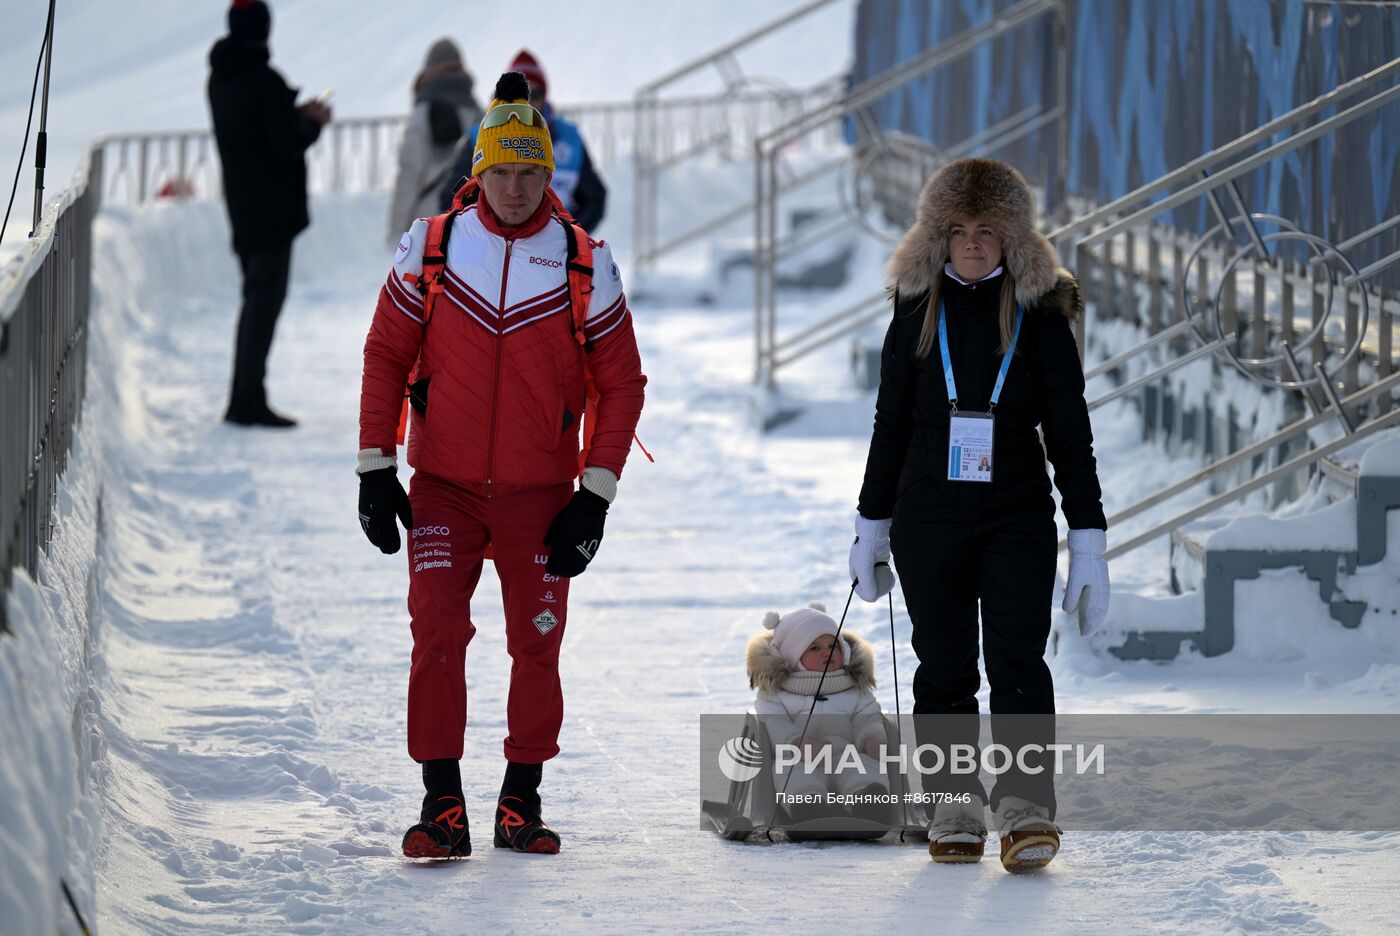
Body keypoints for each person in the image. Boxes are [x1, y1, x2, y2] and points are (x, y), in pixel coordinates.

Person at [357, 72, 646, 859]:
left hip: (543, 497)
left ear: (550, 175)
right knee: (437, 633)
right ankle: (440, 801)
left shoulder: (585, 262)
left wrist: (596, 494)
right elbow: (386, 353)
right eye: (501, 171)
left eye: (530, 172)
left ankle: (522, 799)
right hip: (444, 487)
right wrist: (375, 466)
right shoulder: (433, 247)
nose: (514, 188)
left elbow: (623, 384)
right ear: (475, 173)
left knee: (536, 643)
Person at [847, 158, 1110, 872]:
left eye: (986, 229)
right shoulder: (914, 308)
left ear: (1012, 236)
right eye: (957, 230)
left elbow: (1069, 430)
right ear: (938, 235)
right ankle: (953, 803)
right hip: (927, 514)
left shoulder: (1042, 312)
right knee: (945, 666)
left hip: (1016, 514)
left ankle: (1026, 809)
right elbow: (890, 422)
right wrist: (872, 524)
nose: (971, 243)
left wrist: (1089, 537)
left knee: (1018, 660)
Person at [207, 0, 330, 427]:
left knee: (254, 302)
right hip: (272, 215)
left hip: (243, 209)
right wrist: (313, 123)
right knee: (262, 307)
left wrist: (290, 113)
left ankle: (246, 395)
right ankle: (246, 401)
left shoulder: (221, 76)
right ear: (265, 30)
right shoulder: (263, 79)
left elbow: (256, 126)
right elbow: (284, 143)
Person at [747, 603, 888, 823]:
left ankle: (867, 802)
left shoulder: (855, 689)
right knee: (791, 771)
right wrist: (795, 742)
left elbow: (868, 716)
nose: (826, 652)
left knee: (865, 767)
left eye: (833, 646)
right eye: (814, 648)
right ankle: (808, 806)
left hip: (847, 755)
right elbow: (773, 723)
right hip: (799, 756)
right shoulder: (777, 694)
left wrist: (871, 737)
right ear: (793, 655)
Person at [438, 50, 607, 231]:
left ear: (545, 96)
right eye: (500, 173)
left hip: (552, 251)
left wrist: (570, 238)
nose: (527, 101)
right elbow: (451, 198)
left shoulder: (570, 139)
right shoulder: (480, 137)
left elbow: (594, 199)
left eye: (534, 93)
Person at [385, 38, 484, 244]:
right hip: (472, 214)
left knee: (431, 274)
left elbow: (409, 175)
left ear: (429, 71)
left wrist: (396, 231)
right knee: (466, 271)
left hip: (430, 221)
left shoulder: (424, 112)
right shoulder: (477, 109)